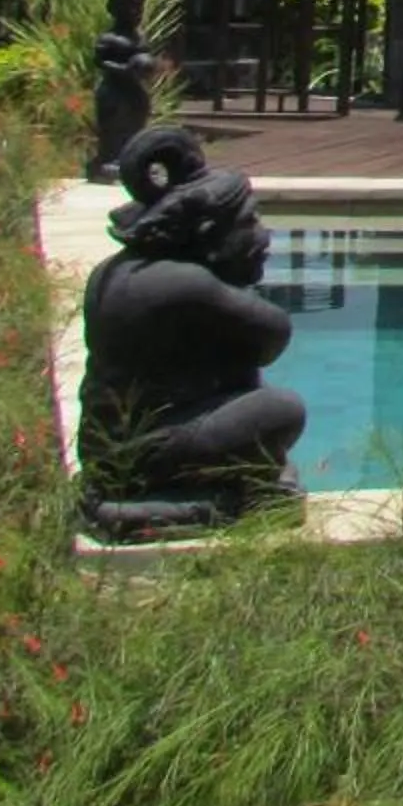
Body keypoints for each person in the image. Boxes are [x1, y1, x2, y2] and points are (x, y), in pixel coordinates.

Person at [76, 126, 304, 529]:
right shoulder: (185, 284)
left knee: (242, 384)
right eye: (249, 222)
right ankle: (185, 502)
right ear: (207, 233)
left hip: (106, 446)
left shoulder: (119, 269)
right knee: (282, 410)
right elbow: (274, 335)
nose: (264, 237)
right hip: (139, 450)